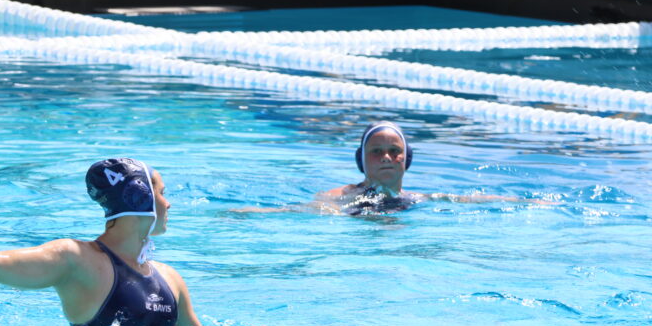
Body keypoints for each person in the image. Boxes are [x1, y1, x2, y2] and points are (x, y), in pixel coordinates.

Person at [0, 156, 268, 326]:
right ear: (139, 195)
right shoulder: (75, 259)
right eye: (162, 191)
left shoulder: (170, 280)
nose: (169, 203)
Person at [234, 121, 553, 215]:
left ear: (406, 159)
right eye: (376, 152)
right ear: (362, 161)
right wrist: (257, 213)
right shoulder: (343, 196)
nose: (386, 157)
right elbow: (302, 210)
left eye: (393, 151)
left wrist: (526, 203)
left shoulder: (415, 198)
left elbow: (466, 199)